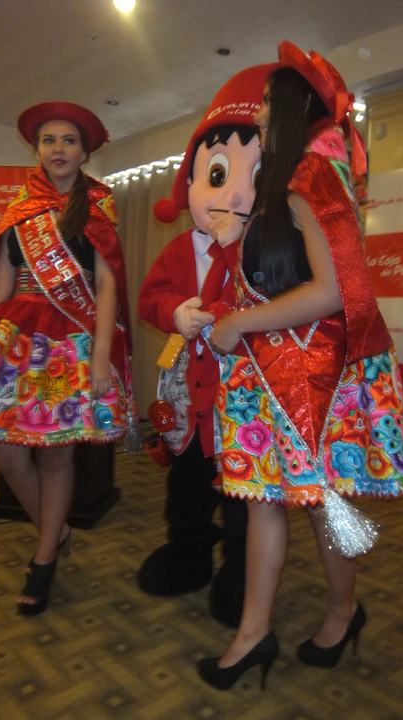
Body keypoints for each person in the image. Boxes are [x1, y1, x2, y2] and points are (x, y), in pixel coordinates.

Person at [197, 41, 403, 690]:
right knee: (264, 505)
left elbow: (333, 293)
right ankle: (253, 634)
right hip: (272, 377)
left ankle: (345, 611)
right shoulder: (283, 185)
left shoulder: (313, 178)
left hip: (311, 382)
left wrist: (240, 323)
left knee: (323, 508)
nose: (260, 113)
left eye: (269, 102)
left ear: (296, 108)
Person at [0, 101, 133, 615]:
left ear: (84, 152)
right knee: (8, 454)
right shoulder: (21, 207)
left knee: (55, 454)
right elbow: (0, 284)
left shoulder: (99, 205)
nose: (58, 149)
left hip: (68, 345)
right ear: (37, 150)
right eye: (49, 140)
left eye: (69, 140)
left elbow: (108, 285)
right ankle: (57, 529)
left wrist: (100, 355)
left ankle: (44, 557)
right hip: (16, 341)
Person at [138, 63, 276, 627]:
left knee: (243, 495)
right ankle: (189, 549)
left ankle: (241, 569)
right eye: (217, 175)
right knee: (188, 481)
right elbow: (150, 297)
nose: (233, 193)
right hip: (190, 402)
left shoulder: (264, 249)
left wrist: (234, 251)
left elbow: (271, 307)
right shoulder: (178, 250)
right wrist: (175, 310)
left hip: (244, 404)